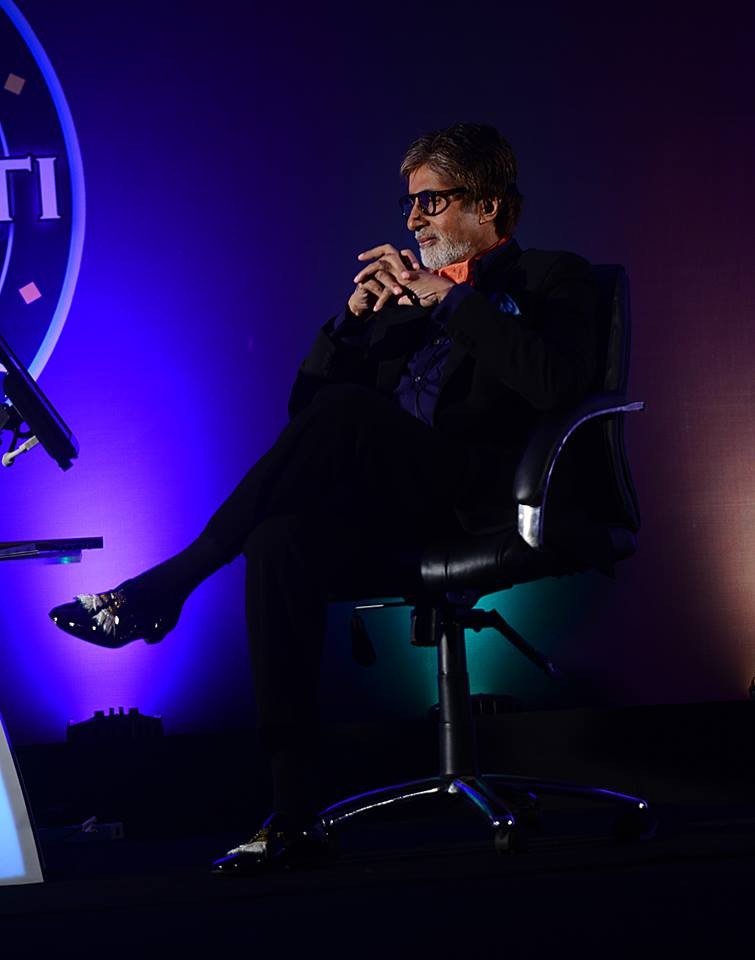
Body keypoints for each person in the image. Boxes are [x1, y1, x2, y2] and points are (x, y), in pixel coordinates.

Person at [49, 122, 599, 875]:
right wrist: (349, 325)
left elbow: (558, 385)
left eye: (431, 201)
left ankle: (168, 585)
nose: (413, 220)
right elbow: (305, 424)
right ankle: (293, 809)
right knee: (278, 537)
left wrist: (451, 302)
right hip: (394, 502)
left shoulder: (551, 279)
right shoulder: (404, 304)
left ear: (488, 205)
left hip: (483, 497)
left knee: (347, 417)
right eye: (409, 204)